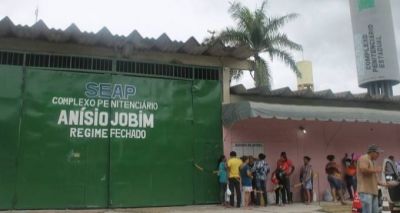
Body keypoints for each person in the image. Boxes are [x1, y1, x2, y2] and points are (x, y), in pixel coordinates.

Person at [357, 144, 389, 213]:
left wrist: (385, 184)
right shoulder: (364, 158)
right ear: (372, 152)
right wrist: (376, 170)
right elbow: (363, 169)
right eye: (377, 153)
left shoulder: (373, 162)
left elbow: (375, 180)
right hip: (365, 191)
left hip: (373, 191)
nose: (378, 155)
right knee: (367, 211)